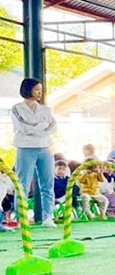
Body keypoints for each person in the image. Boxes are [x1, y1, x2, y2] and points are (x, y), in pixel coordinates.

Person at [11, 78, 57, 227]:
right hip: (25, 149)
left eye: (40, 90)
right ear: (28, 89)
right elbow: (23, 127)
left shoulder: (46, 109)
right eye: (36, 89)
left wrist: (38, 129)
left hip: (45, 148)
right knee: (22, 184)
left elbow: (53, 127)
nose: (39, 93)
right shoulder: (17, 108)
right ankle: (21, 217)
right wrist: (42, 127)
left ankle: (48, 217)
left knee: (47, 184)